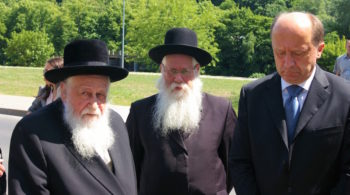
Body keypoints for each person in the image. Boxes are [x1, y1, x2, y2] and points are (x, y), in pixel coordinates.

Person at [229, 12, 350, 194]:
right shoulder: (252, 96)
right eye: (280, 53)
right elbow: (240, 161)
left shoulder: (345, 97)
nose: (288, 63)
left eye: (298, 53)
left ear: (320, 49)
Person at [8, 39, 137, 195]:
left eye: (100, 94)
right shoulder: (32, 133)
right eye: (85, 93)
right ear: (64, 92)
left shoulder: (115, 123)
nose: (94, 104)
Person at [126, 27, 237, 195]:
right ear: (162, 69)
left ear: (197, 70)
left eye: (185, 71)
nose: (178, 78)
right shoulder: (139, 112)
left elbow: (233, 165)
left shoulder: (222, 110)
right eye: (172, 71)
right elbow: (130, 168)